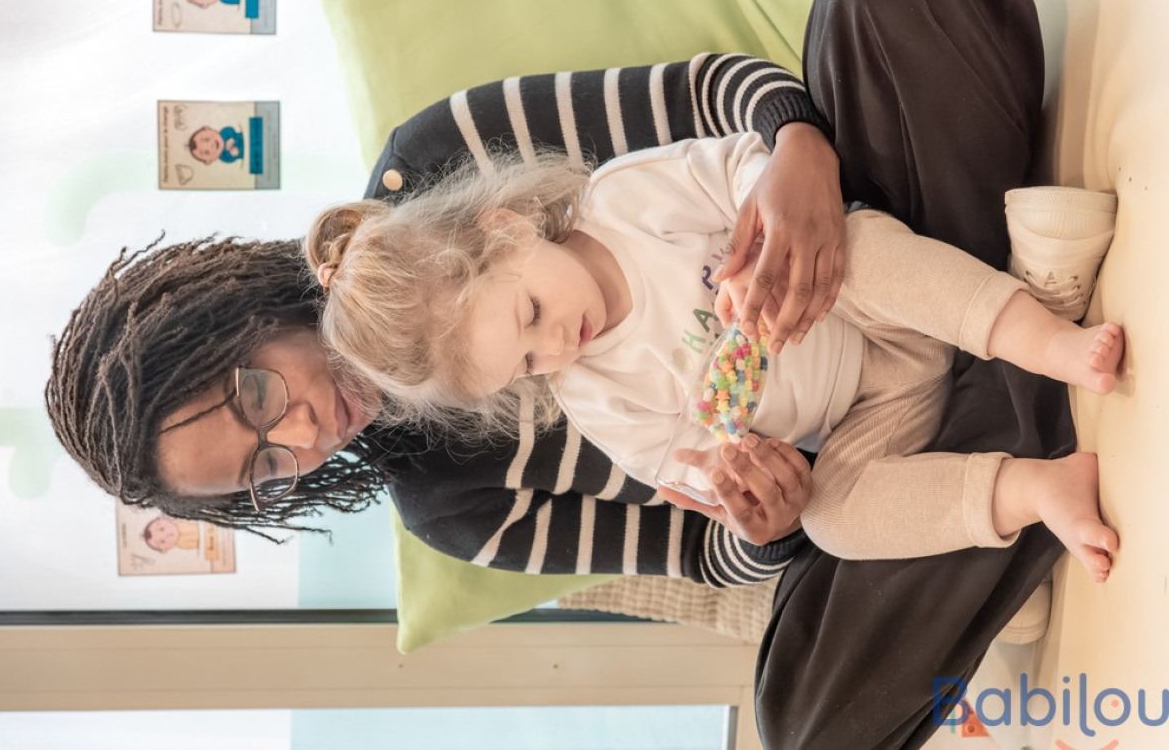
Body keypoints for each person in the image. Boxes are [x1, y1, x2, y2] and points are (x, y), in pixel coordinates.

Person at [46, 0, 1070, 745]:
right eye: (268, 465)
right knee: (806, 715)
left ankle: (1009, 374)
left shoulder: (440, 160)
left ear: (238, 311)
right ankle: (1019, 373)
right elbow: (707, 554)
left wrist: (796, 150)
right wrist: (764, 517)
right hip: (870, 428)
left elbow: (711, 95)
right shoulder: (454, 507)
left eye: (256, 394)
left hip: (877, 220)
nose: (304, 435)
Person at [305, 135, 1121, 580]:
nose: (554, 347)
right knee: (833, 522)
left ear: (508, 229)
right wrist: (738, 487)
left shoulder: (624, 201)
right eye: (525, 364)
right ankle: (1033, 490)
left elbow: (747, 173)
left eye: (532, 313)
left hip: (858, 296)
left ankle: (1047, 340)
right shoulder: (598, 399)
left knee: (864, 250)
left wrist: (765, 236)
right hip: (870, 411)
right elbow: (681, 464)